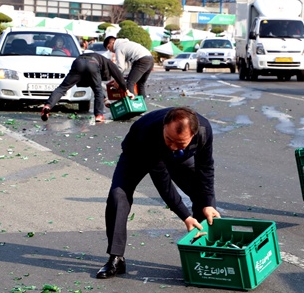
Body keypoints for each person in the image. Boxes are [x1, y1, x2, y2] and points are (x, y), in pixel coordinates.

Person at [97, 107, 221, 279]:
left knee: (203, 196)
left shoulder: (204, 131)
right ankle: (116, 258)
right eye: (169, 139)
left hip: (181, 159)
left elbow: (205, 169)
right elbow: (162, 182)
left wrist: (208, 203)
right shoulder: (150, 132)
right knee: (118, 196)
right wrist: (185, 216)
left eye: (180, 143)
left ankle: (202, 253)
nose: (173, 146)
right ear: (164, 127)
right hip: (138, 152)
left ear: (193, 134)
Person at [40, 52, 133, 123]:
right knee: (98, 90)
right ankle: (99, 115)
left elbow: (92, 82)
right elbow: (118, 76)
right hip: (92, 63)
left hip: (78, 63)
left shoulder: (99, 59)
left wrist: (104, 100)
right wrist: (127, 90)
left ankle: (48, 106)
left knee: (62, 88)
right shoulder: (108, 62)